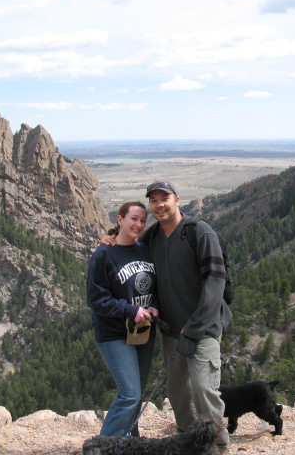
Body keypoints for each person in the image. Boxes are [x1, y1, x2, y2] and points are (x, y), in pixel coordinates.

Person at [102, 181, 232, 451]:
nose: (159, 205)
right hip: (172, 331)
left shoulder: (198, 232)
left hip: (203, 329)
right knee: (177, 392)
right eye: (154, 201)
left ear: (177, 200)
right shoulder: (153, 237)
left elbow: (215, 280)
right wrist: (111, 238)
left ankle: (217, 447)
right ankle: (189, 443)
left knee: (204, 390)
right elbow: (129, 245)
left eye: (165, 198)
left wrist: (195, 328)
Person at [86, 201, 159, 438]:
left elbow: (156, 287)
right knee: (129, 395)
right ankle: (101, 447)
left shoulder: (145, 249)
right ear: (119, 220)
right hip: (114, 333)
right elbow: (96, 300)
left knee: (136, 395)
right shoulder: (103, 254)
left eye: (142, 220)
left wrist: (154, 306)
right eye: (133, 219)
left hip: (144, 331)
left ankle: (129, 443)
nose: (138, 224)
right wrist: (130, 310)